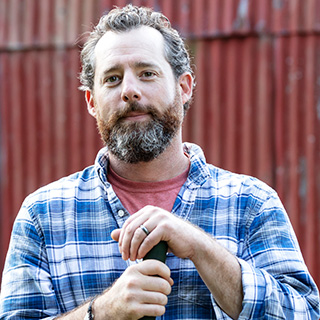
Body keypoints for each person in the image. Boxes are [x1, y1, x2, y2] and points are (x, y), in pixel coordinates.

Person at [0, 4, 319, 320]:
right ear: (92, 102)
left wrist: (201, 248)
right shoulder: (43, 215)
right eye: (112, 79)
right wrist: (103, 312)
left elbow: (305, 313)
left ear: (184, 87)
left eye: (147, 73)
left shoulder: (252, 203)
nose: (129, 90)